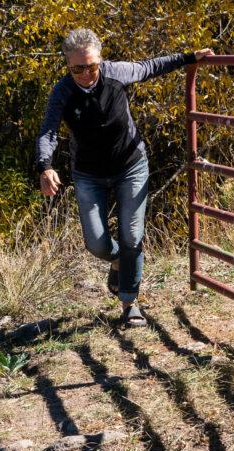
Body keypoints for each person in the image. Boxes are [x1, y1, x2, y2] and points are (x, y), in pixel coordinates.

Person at [35, 28, 212, 327]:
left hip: (130, 165)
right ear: (67, 66)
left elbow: (151, 66)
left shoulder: (117, 73)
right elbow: (49, 131)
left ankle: (130, 303)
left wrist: (188, 58)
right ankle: (118, 260)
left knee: (132, 236)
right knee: (97, 244)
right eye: (77, 68)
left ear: (100, 61)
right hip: (88, 174)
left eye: (91, 66)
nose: (86, 74)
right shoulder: (62, 92)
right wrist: (45, 166)